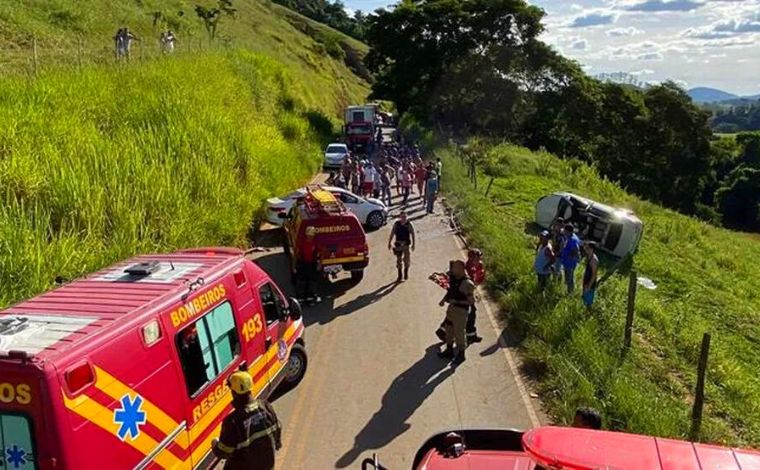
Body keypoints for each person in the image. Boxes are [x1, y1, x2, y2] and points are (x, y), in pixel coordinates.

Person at [213, 371, 282, 470]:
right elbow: (277, 430)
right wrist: (278, 442)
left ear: (234, 393)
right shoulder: (266, 406)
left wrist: (215, 444)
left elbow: (224, 452)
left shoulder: (232, 421)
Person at [438, 260, 475, 364]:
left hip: (460, 311)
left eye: (454, 268)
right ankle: (449, 350)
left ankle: (461, 354)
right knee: (449, 329)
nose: (452, 270)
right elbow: (451, 291)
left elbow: (471, 301)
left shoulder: (467, 284)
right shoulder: (455, 279)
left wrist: (457, 301)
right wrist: (443, 300)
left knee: (459, 332)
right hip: (451, 309)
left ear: (461, 269)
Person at [388, 211, 415, 282]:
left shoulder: (408, 224)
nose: (403, 218)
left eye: (405, 217)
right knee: (399, 261)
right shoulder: (396, 224)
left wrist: (413, 245)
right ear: (400, 217)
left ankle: (406, 272)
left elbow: (413, 234)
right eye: (402, 217)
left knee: (406, 260)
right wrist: (389, 242)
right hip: (398, 245)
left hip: (406, 245)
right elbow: (392, 233)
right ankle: (400, 275)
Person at [465, 249, 484, 344]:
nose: (480, 260)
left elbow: (479, 279)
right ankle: (470, 336)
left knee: (468, 314)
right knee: (471, 314)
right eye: (478, 258)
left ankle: (471, 335)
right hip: (466, 296)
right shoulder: (469, 269)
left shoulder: (474, 266)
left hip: (469, 294)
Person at [559, 224, 581, 294]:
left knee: (570, 278)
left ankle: (570, 292)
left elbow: (576, 251)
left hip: (570, 263)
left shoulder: (573, 240)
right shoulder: (569, 237)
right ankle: (568, 290)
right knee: (568, 277)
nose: (564, 233)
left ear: (569, 232)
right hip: (566, 262)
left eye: (565, 232)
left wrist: (568, 256)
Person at [582, 242, 599, 310]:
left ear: (592, 249)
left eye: (587, 248)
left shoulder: (594, 260)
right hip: (586, 280)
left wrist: (589, 286)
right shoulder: (589, 256)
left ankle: (588, 313)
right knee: (584, 297)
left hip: (590, 283)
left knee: (589, 300)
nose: (586, 249)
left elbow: (594, 275)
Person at [550, 217, 565, 281]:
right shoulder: (555, 231)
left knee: (558, 268)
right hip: (554, 251)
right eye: (556, 225)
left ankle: (558, 280)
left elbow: (562, 245)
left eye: (559, 225)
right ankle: (554, 278)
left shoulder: (562, 234)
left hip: (559, 253)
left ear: (561, 225)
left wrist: (559, 252)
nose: (557, 226)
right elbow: (553, 240)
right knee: (553, 266)